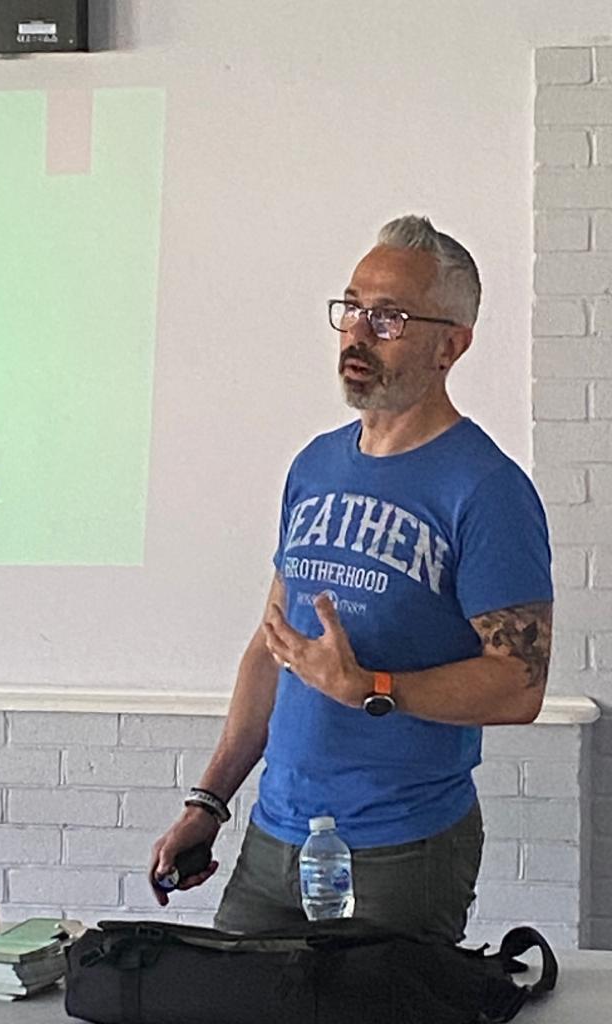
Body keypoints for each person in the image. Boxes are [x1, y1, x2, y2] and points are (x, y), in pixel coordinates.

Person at [149, 215, 553, 943]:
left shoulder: (487, 489)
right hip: (274, 839)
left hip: (400, 851)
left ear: (450, 345)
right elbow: (272, 650)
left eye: (390, 317)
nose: (358, 333)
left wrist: (374, 688)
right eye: (352, 307)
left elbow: (519, 685)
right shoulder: (314, 466)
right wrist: (210, 801)